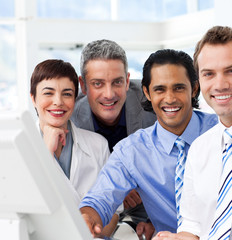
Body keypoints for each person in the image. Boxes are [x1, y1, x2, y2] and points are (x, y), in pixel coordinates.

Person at [79, 49, 218, 239]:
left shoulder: (221, 131)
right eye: (160, 89)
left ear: (194, 89)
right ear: (147, 92)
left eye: (178, 88)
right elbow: (100, 198)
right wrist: (88, 217)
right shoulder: (132, 151)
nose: (170, 98)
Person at [153, 26, 232, 240]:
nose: (220, 84)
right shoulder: (200, 148)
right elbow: (193, 225)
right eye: (209, 74)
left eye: (231, 71)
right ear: (199, 82)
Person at [70, 39, 157, 229]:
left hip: (151, 216)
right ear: (83, 86)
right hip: (97, 216)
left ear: (127, 81)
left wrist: (154, 222)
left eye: (117, 82)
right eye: (98, 84)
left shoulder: (153, 104)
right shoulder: (70, 117)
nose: (109, 94)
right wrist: (118, 189)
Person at [30, 59, 118, 236]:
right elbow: (25, 207)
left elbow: (114, 211)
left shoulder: (98, 144)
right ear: (33, 98)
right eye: (48, 93)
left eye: (67, 94)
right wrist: (46, 151)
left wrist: (91, 232)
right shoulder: (20, 146)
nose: (58, 102)